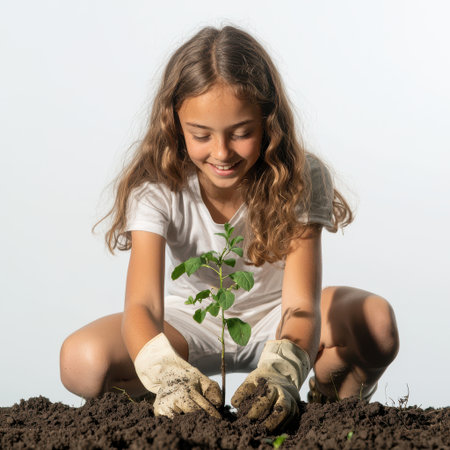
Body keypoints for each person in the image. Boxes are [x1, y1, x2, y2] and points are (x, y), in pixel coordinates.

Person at [59, 25, 399, 431]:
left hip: (281, 317)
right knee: (82, 361)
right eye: (201, 135)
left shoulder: (301, 176)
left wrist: (282, 370)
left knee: (376, 323)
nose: (221, 153)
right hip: (189, 322)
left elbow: (300, 306)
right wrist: (164, 371)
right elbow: (144, 307)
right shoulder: (156, 184)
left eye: (242, 133)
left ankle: (328, 411)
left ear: (268, 123)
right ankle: (176, 408)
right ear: (175, 124)